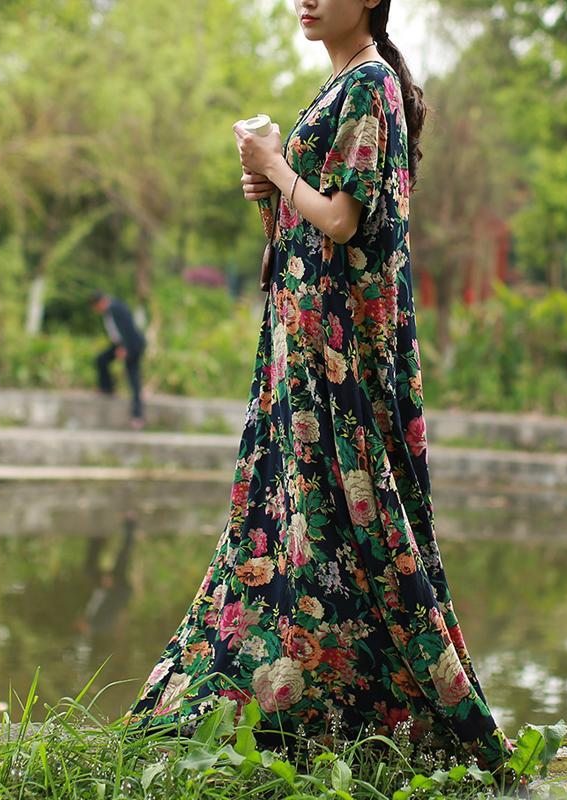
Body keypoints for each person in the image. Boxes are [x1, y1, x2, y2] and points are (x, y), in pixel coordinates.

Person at [126, 0, 516, 778]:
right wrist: (269, 192)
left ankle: (374, 707)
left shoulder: (370, 83)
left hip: (336, 358)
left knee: (348, 520)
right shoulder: (338, 85)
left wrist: (276, 168)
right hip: (300, 348)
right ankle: (296, 709)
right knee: (297, 521)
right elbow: (309, 230)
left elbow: (342, 221)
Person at [89, 291, 146, 429]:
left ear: (100, 302)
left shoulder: (116, 308)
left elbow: (127, 328)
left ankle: (137, 415)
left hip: (132, 345)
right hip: (120, 344)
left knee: (133, 378)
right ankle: (107, 387)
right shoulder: (110, 310)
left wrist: (124, 347)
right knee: (101, 360)